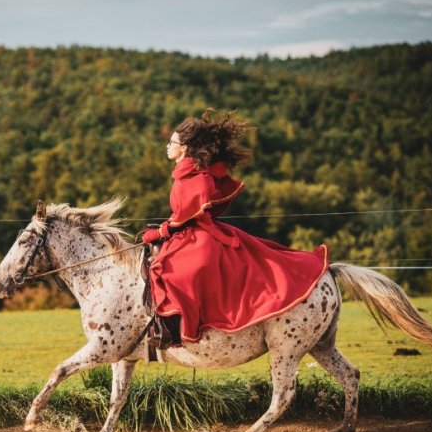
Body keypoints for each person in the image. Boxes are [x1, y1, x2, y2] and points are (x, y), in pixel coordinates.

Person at [141, 109, 329, 347]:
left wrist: (159, 232)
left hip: (198, 237)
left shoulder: (197, 177)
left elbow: (187, 215)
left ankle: (182, 329)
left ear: (185, 148)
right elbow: (181, 213)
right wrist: (164, 228)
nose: (167, 146)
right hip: (187, 233)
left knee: (173, 270)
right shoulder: (184, 173)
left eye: (172, 142)